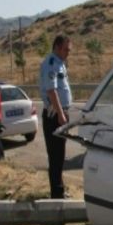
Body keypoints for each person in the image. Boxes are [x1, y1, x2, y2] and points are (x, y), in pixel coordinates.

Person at [39, 35, 72, 198]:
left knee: (60, 156)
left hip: (61, 113)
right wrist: (60, 114)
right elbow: (51, 91)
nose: (68, 52)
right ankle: (57, 194)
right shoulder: (51, 64)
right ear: (57, 47)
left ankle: (60, 190)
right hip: (54, 116)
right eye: (66, 49)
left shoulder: (60, 64)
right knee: (56, 156)